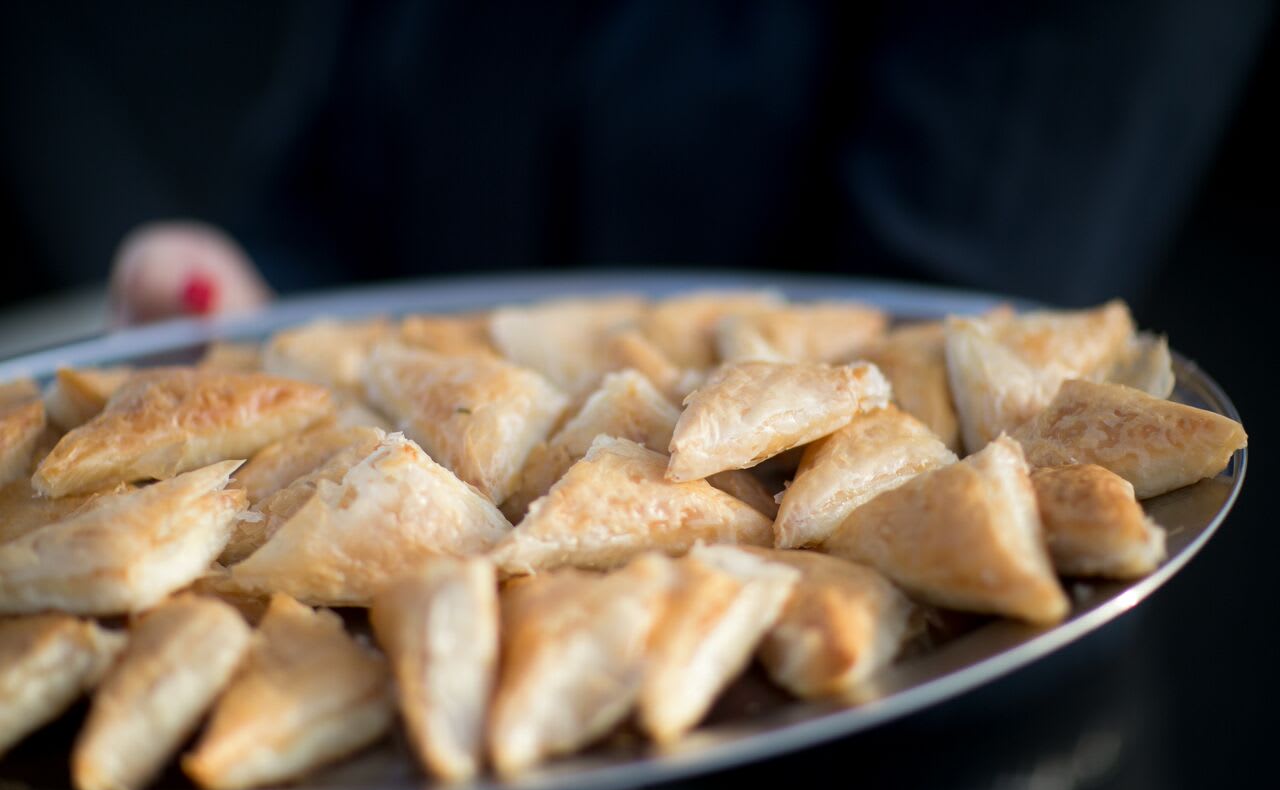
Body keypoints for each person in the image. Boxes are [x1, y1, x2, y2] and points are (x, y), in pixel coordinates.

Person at [2, 2, 1267, 323]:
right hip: (497, 747)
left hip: (901, 778)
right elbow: (327, 201)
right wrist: (248, 301)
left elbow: (927, 352)